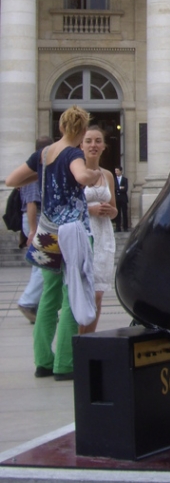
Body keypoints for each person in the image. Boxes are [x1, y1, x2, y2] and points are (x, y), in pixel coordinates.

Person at [6, 106, 98, 380]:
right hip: (73, 232)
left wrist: (42, 174)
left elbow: (12, 179)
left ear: (61, 127)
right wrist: (92, 176)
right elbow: (81, 176)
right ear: (82, 131)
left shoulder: (44, 154)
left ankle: (43, 361)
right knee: (74, 295)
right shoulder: (74, 153)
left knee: (48, 297)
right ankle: (65, 363)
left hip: (47, 233)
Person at [80, 126, 118, 333]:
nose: (93, 145)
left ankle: (88, 340)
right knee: (83, 293)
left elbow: (114, 211)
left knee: (98, 294)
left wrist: (109, 211)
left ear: (104, 146)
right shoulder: (75, 171)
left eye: (97, 141)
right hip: (83, 233)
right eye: (88, 141)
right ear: (81, 145)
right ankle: (78, 342)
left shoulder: (108, 175)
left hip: (103, 235)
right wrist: (90, 209)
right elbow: (67, 207)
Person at [16, 137, 52, 324]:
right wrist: (32, 230)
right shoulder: (34, 172)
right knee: (44, 264)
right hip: (36, 221)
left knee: (38, 265)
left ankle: (35, 305)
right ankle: (28, 302)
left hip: (39, 221)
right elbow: (31, 204)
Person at [114, 166, 129, 232]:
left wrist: (118, 188)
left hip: (123, 199)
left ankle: (125, 227)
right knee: (118, 213)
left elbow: (125, 189)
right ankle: (118, 227)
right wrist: (120, 188)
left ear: (120, 171)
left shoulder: (125, 179)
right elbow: (114, 188)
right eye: (115, 171)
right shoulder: (114, 179)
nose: (116, 172)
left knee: (124, 213)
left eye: (117, 171)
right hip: (117, 199)